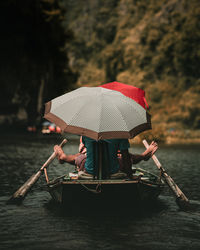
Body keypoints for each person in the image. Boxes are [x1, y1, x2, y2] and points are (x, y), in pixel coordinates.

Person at [54, 136, 158, 179]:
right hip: (111, 172)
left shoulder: (86, 134)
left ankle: (63, 157)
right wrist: (130, 176)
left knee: (82, 156)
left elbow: (84, 146)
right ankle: (144, 156)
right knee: (124, 157)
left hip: (90, 172)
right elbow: (126, 159)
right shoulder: (120, 134)